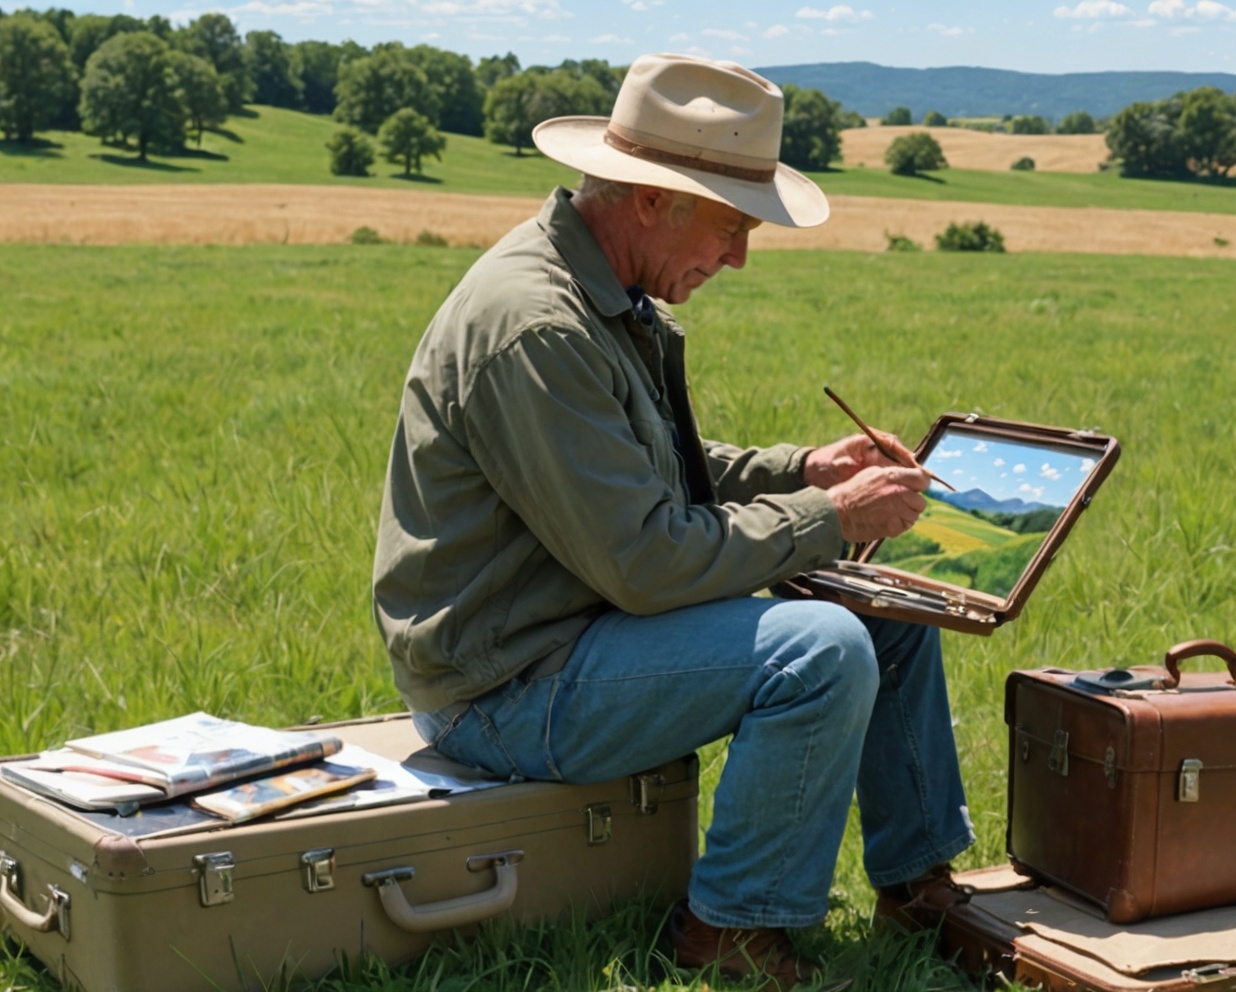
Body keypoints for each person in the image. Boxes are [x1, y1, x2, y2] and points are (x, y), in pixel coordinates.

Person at [370, 53, 972, 988]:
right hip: (504, 686)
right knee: (819, 648)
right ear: (652, 199)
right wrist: (826, 513)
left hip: (574, 637)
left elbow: (649, 477)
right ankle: (728, 932)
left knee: (878, 609)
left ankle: (915, 884)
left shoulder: (595, 292)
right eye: (732, 225)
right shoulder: (541, 325)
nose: (737, 256)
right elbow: (647, 561)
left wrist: (804, 470)